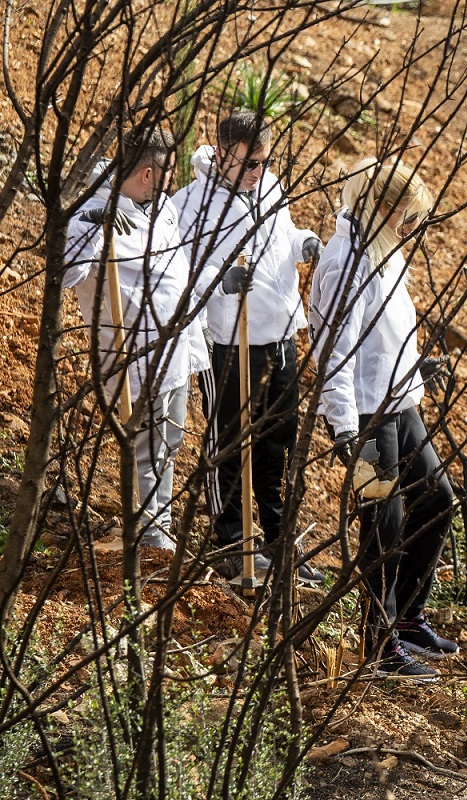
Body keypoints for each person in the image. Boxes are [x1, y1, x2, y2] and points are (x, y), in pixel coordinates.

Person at [309, 156, 458, 682]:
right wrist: (344, 426)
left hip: (400, 401)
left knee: (437, 499)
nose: (412, 229)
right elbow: (334, 350)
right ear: (383, 208)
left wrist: (418, 366)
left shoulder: (383, 251)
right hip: (366, 415)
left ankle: (409, 613)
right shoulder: (345, 262)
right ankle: (379, 640)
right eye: (408, 217)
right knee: (383, 519)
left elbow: (386, 332)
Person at [174, 110, 324, 584]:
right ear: (219, 155)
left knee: (277, 444)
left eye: (263, 161)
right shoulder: (192, 204)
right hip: (229, 343)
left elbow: (284, 237)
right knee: (230, 444)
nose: (257, 172)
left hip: (280, 338)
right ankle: (233, 545)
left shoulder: (272, 188)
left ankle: (281, 543)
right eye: (247, 163)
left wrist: (305, 244)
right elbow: (178, 271)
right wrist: (220, 282)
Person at [65, 127, 208, 552]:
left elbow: (176, 271)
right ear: (147, 173)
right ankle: (148, 539)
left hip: (174, 353)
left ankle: (157, 526)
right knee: (144, 449)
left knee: (169, 443)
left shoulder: (161, 207)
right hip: (133, 359)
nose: (173, 181)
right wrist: (94, 230)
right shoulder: (92, 212)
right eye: (167, 171)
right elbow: (66, 273)